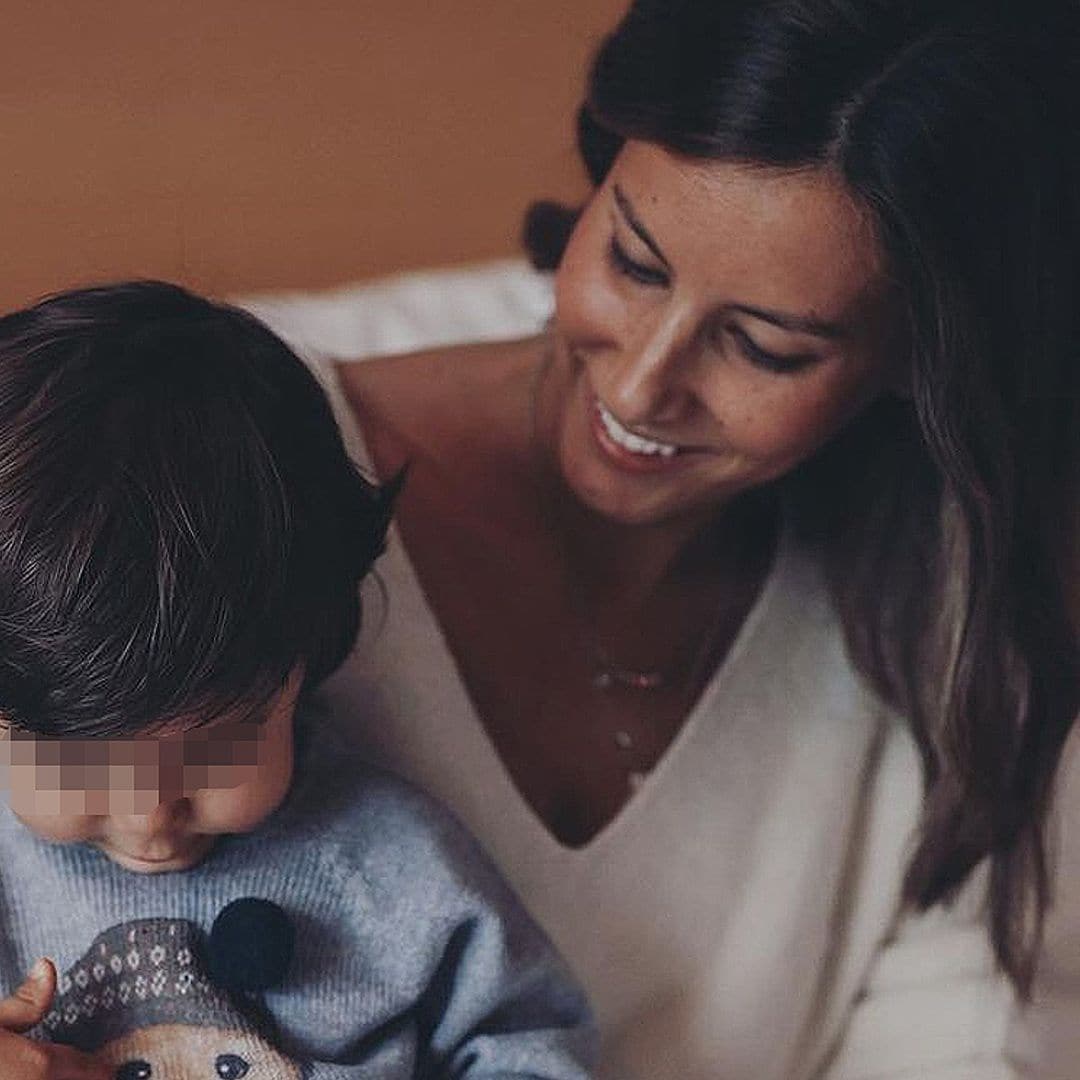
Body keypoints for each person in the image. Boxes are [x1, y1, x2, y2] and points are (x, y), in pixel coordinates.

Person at [309, 1, 1080, 1077]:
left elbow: (961, 1040)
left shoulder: (956, 615)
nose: (639, 385)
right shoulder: (230, 475)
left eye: (764, 348)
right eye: (634, 262)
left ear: (919, 362)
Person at [0, 281, 595, 1079]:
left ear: (304, 665)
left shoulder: (386, 861)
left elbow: (533, 1050)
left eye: (213, 748)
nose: (149, 816)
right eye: (82, 760)